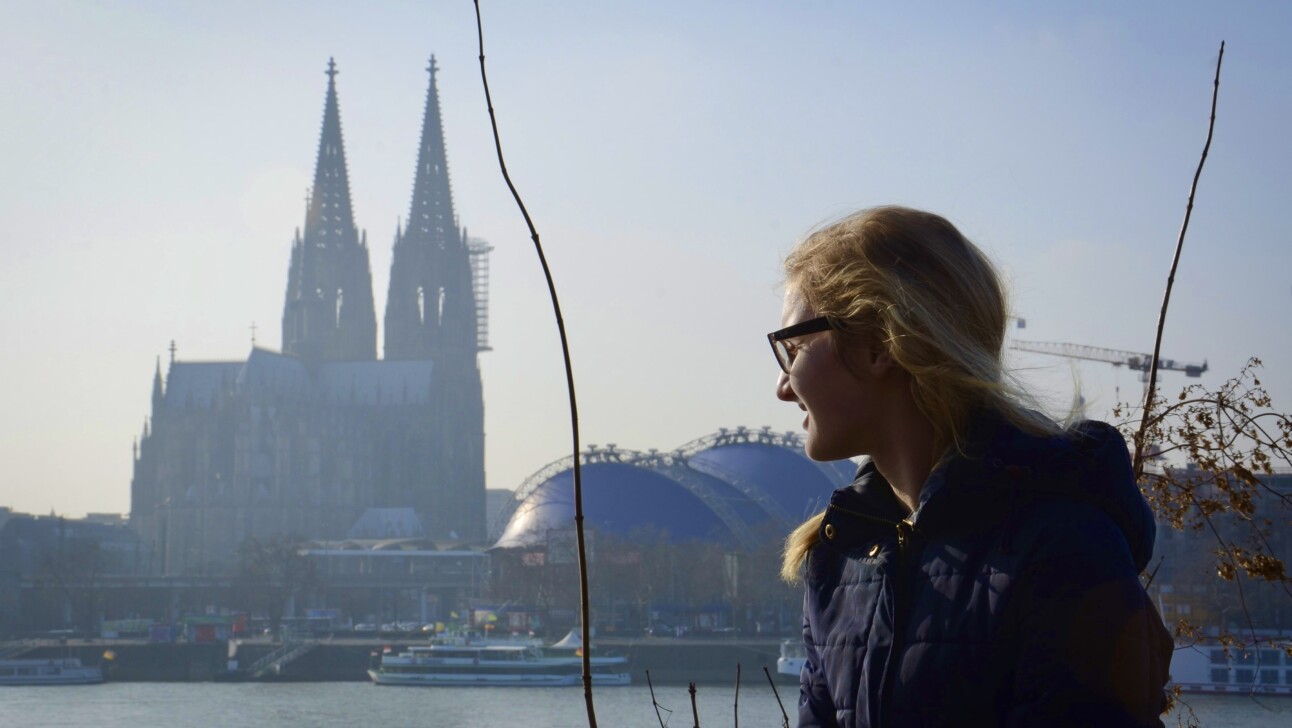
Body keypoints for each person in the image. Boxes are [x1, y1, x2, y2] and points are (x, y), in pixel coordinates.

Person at [770, 206, 1172, 727]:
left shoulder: (1064, 549)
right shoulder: (839, 558)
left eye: (795, 348)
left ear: (877, 345)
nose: (783, 387)